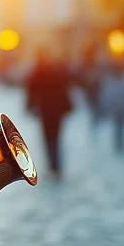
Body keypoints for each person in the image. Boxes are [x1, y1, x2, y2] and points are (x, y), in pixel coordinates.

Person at [25, 47, 74, 177]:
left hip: (46, 110)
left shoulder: (38, 71)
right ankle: (56, 164)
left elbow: (31, 91)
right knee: (56, 138)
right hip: (56, 110)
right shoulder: (55, 70)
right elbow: (64, 88)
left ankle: (53, 165)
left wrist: (29, 106)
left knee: (48, 138)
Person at [98, 58, 124, 155]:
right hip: (116, 108)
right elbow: (107, 95)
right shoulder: (110, 80)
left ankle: (122, 143)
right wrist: (106, 107)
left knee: (122, 126)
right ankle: (118, 143)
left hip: (123, 108)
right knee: (117, 126)